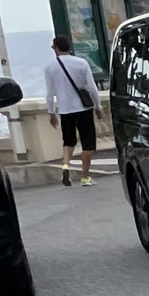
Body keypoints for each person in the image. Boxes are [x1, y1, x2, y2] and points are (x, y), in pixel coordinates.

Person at [42, 34, 103, 187]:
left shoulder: (50, 68)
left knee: (68, 141)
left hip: (64, 110)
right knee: (87, 143)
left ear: (56, 48)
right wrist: (98, 107)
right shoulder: (81, 63)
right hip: (83, 109)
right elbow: (92, 88)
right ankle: (85, 177)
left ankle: (66, 165)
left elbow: (50, 94)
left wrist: (51, 112)